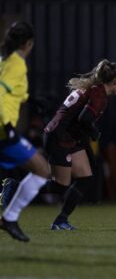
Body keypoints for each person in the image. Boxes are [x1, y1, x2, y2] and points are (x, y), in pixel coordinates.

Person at [1, 59, 116, 241]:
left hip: (68, 137)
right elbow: (84, 119)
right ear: (115, 82)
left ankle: (61, 220)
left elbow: (76, 120)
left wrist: (86, 144)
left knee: (85, 178)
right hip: (59, 138)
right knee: (61, 185)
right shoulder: (99, 96)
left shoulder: (92, 88)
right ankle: (14, 188)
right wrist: (94, 133)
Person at [0, 21, 50, 242]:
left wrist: (31, 100)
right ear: (29, 43)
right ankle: (9, 218)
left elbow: (11, 92)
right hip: (3, 131)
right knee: (41, 169)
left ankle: (9, 218)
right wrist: (8, 128)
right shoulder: (17, 64)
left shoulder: (5, 60)